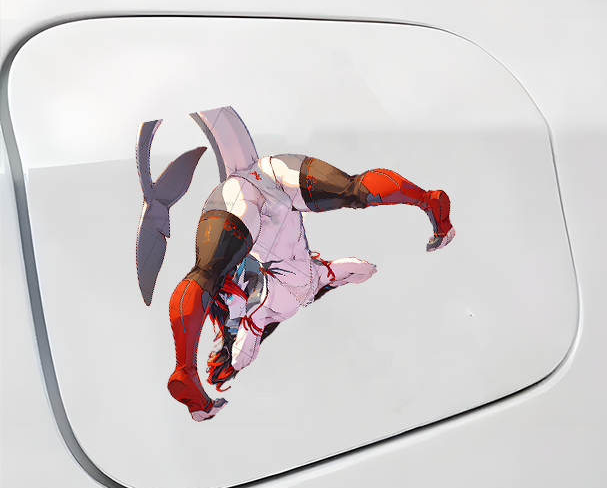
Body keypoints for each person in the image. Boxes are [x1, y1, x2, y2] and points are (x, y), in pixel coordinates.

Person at [167, 153, 455, 421]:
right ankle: (428, 200)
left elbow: (353, 271)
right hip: (271, 173)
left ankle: (185, 369)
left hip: (242, 202)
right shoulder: (270, 301)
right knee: (353, 189)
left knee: (206, 274)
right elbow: (356, 270)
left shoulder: (264, 303)